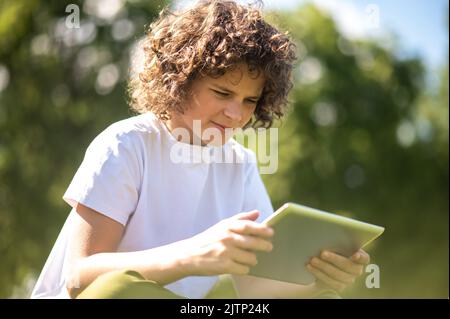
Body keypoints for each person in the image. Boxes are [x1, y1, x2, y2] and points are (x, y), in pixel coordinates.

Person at [31, 0, 370, 299]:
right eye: (223, 93)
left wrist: (320, 282)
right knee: (125, 290)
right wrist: (193, 256)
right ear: (178, 81)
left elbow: (257, 290)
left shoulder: (240, 164)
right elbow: (80, 278)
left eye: (250, 100)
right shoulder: (126, 145)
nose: (236, 113)